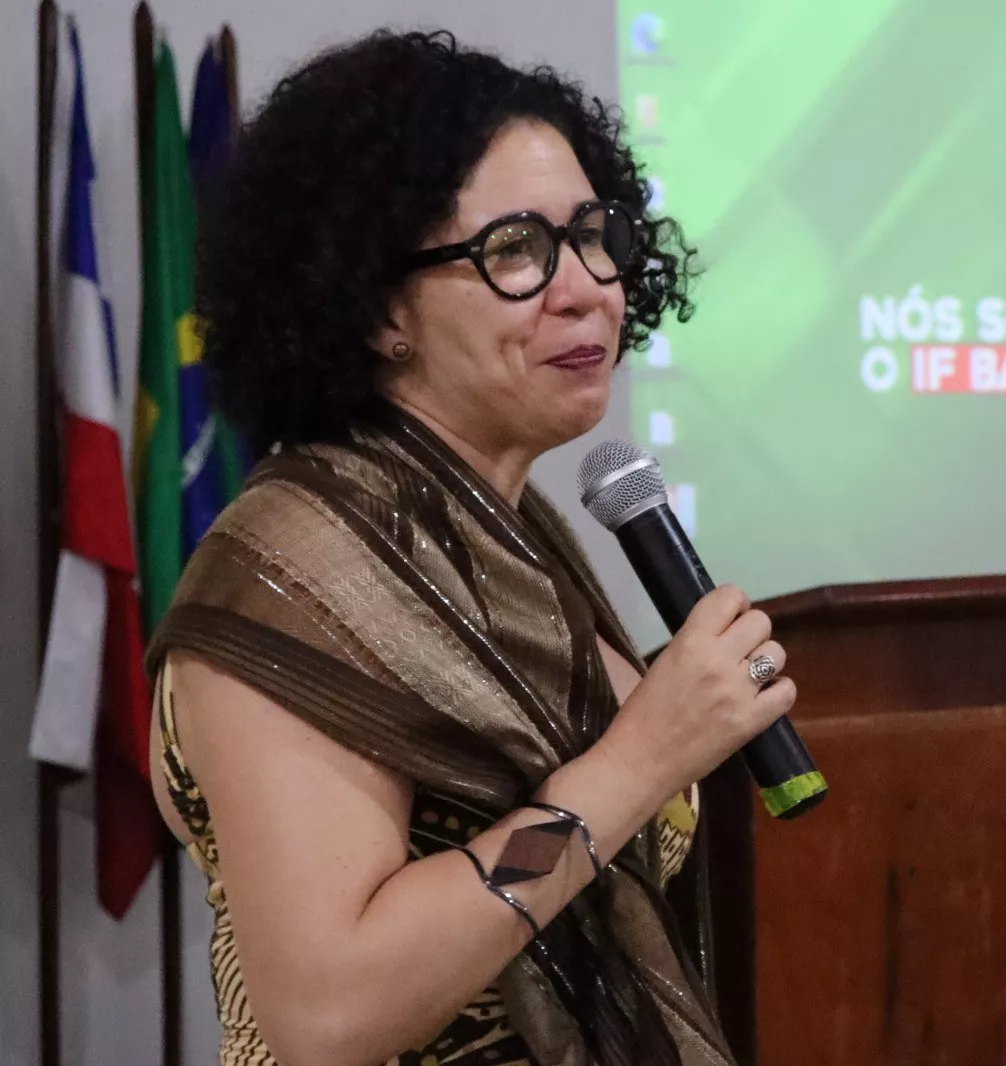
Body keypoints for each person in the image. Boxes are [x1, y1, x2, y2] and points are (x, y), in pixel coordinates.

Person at [145, 30, 794, 1066]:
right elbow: (330, 1010)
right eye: (516, 250)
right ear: (376, 309)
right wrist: (641, 759)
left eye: (593, 236)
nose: (585, 287)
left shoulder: (512, 538)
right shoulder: (302, 571)